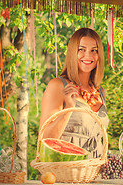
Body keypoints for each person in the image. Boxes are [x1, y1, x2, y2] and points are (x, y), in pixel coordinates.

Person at [39, 28, 109, 158]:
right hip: (65, 171)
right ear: (73, 52)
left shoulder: (100, 92)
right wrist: (69, 108)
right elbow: (45, 139)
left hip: (95, 172)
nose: (88, 55)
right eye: (81, 49)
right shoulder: (58, 86)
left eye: (94, 50)